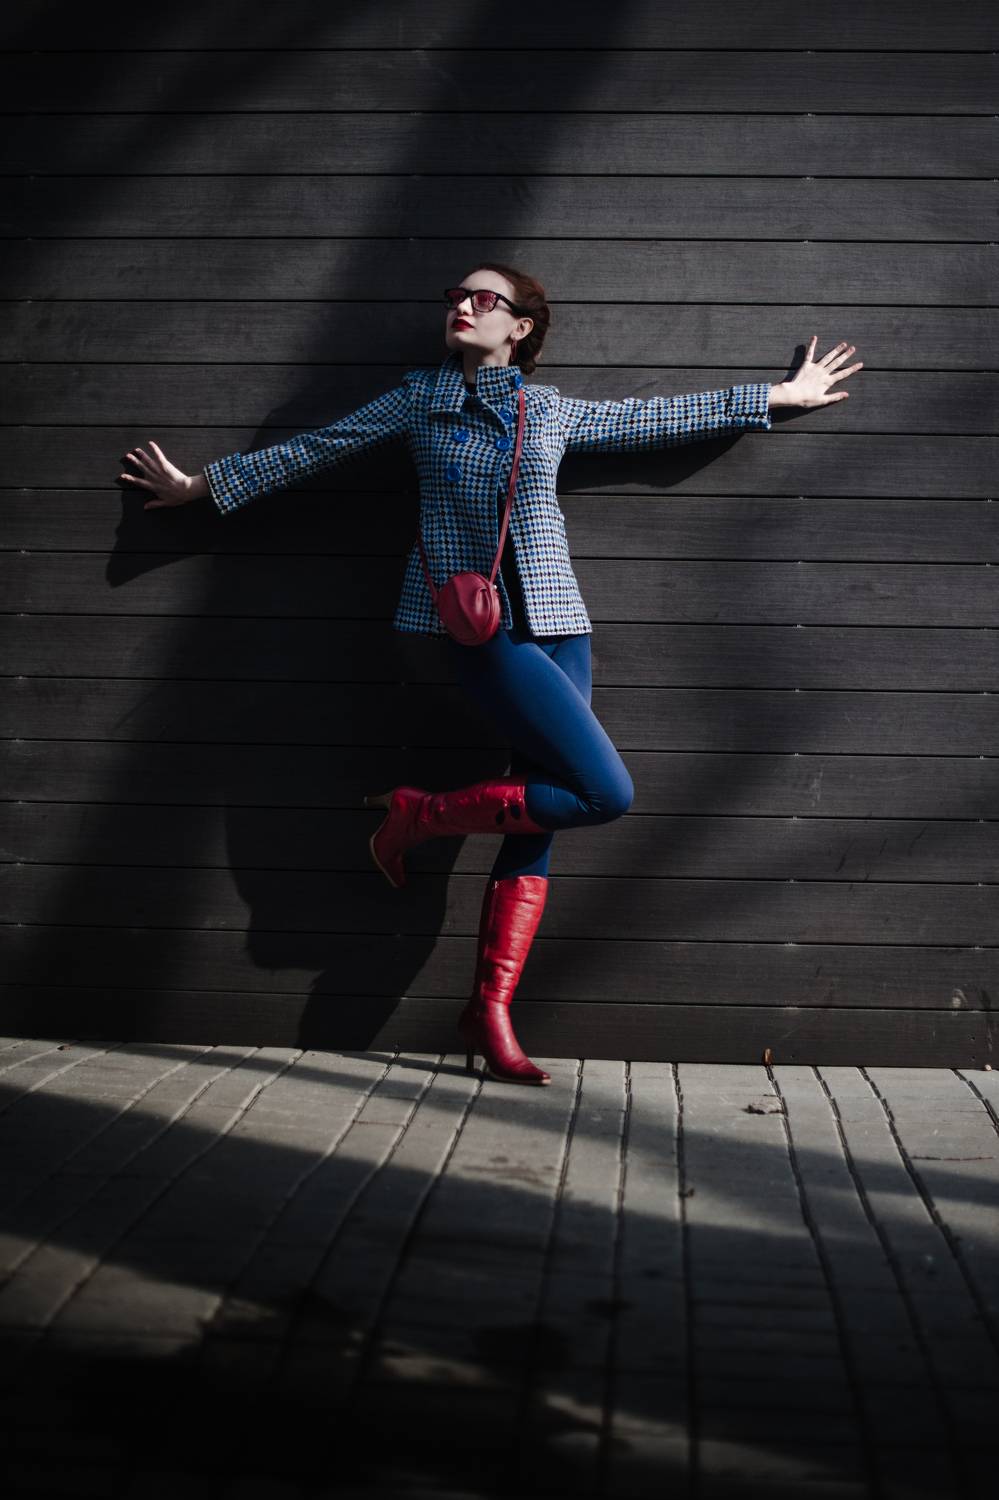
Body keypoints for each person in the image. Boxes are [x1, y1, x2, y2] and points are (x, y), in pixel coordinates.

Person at [119, 263, 862, 1086]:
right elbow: (318, 449)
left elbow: (647, 417)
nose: (462, 309)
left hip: (560, 622)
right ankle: (422, 816)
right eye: (456, 298)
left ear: (520, 327)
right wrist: (202, 486)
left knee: (540, 811)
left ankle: (489, 1008)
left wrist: (777, 397)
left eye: (484, 300)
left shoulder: (547, 408)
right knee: (604, 794)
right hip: (469, 627)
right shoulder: (418, 400)